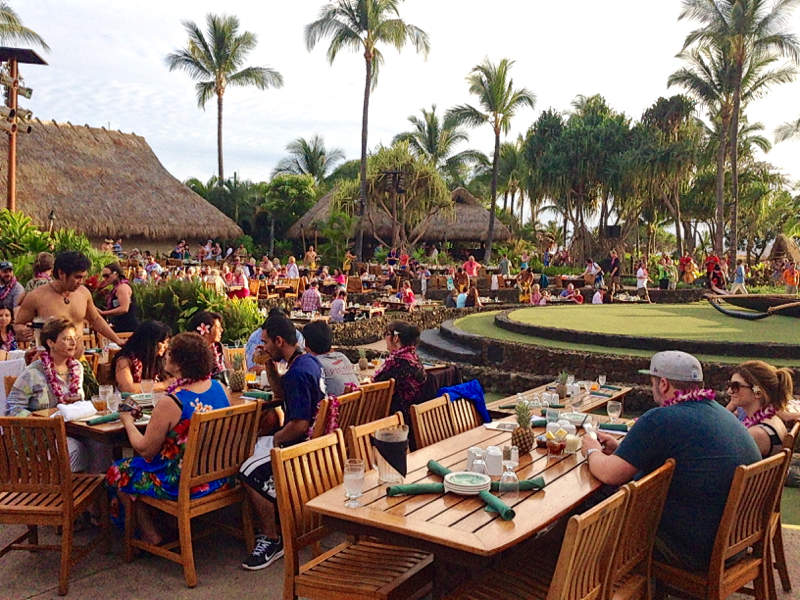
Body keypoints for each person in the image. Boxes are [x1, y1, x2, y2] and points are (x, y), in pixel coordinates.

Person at [582, 351, 760, 571]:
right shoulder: (723, 414)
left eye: (653, 381)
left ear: (664, 384)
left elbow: (610, 474)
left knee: (590, 506)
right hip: (736, 542)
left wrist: (591, 450)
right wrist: (622, 451)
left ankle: (565, 575)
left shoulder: (660, 418)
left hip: (693, 551)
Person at [106, 332, 231, 545]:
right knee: (138, 467)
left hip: (181, 483)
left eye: (170, 353)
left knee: (118, 470)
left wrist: (126, 420)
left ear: (180, 363)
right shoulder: (221, 389)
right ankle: (164, 521)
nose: (165, 356)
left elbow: (146, 450)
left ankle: (148, 533)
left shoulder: (173, 402)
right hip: (217, 476)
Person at [239, 314, 325, 570]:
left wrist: (275, 440)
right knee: (253, 448)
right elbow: (280, 394)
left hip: (299, 447)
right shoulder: (306, 362)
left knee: (247, 469)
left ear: (279, 340)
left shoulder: (298, 374)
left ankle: (271, 538)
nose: (262, 346)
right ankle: (278, 508)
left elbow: (298, 424)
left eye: (265, 342)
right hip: (316, 444)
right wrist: (269, 368)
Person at [6, 318, 92, 471]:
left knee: (101, 445)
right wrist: (40, 420)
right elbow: (12, 409)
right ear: (51, 343)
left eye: (75, 338)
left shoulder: (77, 367)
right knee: (75, 450)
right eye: (66, 339)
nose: (73, 343)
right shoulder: (33, 373)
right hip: (41, 437)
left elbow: (79, 400)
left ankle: (98, 492)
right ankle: (66, 490)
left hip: (75, 429)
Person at [14, 251, 123, 351]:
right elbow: (18, 324)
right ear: (61, 273)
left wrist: (117, 340)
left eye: (83, 277)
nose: (81, 282)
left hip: (78, 360)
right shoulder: (36, 296)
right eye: (77, 277)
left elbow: (95, 320)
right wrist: (20, 331)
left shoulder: (83, 293)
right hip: (48, 362)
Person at [726, 361, 792, 458]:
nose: (729, 391)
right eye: (730, 385)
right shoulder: (773, 419)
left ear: (757, 393)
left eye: (736, 386)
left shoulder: (756, 434)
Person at [373, 321, 426, 421]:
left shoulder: (397, 362)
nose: (385, 338)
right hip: (414, 415)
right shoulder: (414, 358)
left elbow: (376, 386)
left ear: (396, 338)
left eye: (387, 334)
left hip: (398, 418)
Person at [113, 320, 171, 393]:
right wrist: (164, 385)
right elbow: (127, 388)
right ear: (148, 343)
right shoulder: (124, 360)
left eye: (167, 342)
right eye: (162, 342)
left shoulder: (160, 359)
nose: (166, 346)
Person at [303, 320, 359, 396]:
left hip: (335, 407)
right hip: (356, 405)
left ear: (307, 345)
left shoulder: (315, 364)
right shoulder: (342, 357)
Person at [187, 311, 228, 385]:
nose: (221, 330)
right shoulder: (192, 352)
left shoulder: (219, 347)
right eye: (218, 327)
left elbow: (227, 372)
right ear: (206, 330)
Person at [97, 262, 138, 333]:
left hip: (128, 328)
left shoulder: (122, 287)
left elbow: (124, 309)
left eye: (107, 276)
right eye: (103, 276)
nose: (105, 279)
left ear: (116, 274)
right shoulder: (116, 288)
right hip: (120, 326)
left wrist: (104, 313)